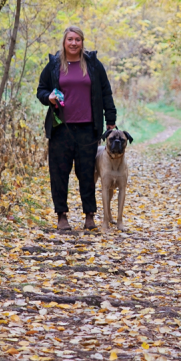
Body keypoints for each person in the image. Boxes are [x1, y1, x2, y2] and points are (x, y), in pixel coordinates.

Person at [36, 26, 117, 231]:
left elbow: (106, 92)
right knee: (59, 173)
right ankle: (61, 215)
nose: (74, 43)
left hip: (88, 128)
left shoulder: (92, 64)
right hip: (60, 128)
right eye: (70, 39)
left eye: (77, 40)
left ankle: (89, 215)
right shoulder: (54, 64)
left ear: (82, 42)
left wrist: (111, 119)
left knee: (87, 173)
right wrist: (49, 97)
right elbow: (41, 91)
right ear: (64, 42)